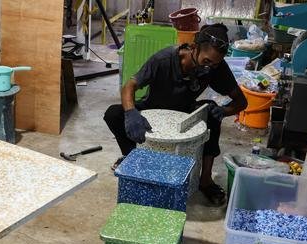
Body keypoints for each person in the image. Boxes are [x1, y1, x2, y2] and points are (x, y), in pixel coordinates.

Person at [104, 23, 248, 205]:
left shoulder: (215, 67)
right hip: (153, 107)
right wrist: (131, 113)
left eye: (215, 64)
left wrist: (224, 111)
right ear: (194, 48)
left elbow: (241, 102)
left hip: (184, 111)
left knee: (211, 111)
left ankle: (205, 180)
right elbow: (129, 86)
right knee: (114, 114)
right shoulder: (163, 60)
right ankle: (133, 161)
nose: (210, 67)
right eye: (206, 61)